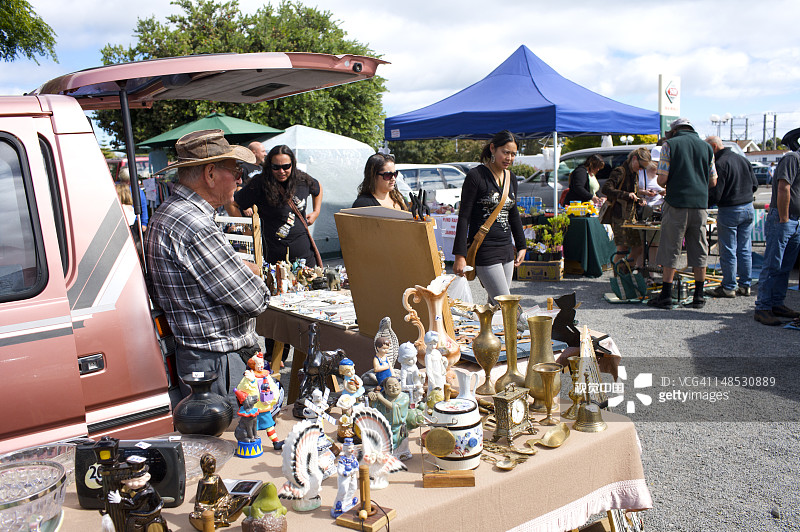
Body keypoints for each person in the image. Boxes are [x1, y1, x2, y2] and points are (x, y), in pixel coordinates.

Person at [144, 129, 269, 404]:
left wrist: (239, 268)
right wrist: (252, 272)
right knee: (242, 441)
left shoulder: (168, 213)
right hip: (218, 365)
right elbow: (255, 299)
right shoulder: (195, 223)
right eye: (235, 170)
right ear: (210, 174)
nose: (239, 178)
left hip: (202, 360)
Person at [648, 118, 717, 309]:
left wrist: (670, 183)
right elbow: (713, 181)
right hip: (700, 205)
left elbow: (662, 179)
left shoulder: (670, 145)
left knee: (671, 247)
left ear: (675, 130)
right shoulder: (707, 147)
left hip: (677, 203)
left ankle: (667, 295)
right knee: (699, 248)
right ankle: (699, 296)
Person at [452, 130, 527, 306]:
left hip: (507, 249)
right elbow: (464, 217)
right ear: (493, 149)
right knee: (506, 305)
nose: (509, 157)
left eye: (513, 154)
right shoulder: (476, 176)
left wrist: (522, 245)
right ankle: (515, 332)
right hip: (485, 250)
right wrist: (460, 255)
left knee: (495, 306)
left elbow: (513, 213)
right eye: (506, 152)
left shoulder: (511, 177)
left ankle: (490, 333)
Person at [232, 144, 322, 266]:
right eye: (276, 167)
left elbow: (318, 187)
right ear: (270, 166)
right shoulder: (260, 184)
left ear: (292, 164)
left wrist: (316, 212)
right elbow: (233, 204)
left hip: (305, 255)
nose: (281, 171)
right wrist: (245, 228)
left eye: (286, 167)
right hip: (275, 259)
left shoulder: (302, 180)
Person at [753, 126, 800, 326]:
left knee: (785, 266)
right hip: (784, 218)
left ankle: (776, 302)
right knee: (773, 264)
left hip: (794, 220)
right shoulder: (792, 158)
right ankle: (763, 307)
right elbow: (783, 187)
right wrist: (783, 217)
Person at [705, 135, 759, 298]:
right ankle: (745, 284)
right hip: (748, 207)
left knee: (728, 249)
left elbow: (717, 193)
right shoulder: (742, 159)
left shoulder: (720, 164)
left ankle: (729, 286)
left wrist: (703, 202)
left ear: (714, 147)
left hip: (730, 209)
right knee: (744, 248)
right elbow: (755, 184)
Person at [601, 147, 652, 271]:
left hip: (630, 217)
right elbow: (606, 189)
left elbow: (631, 191)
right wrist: (626, 195)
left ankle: (624, 271)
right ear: (634, 159)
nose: (641, 170)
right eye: (640, 166)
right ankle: (619, 274)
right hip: (619, 216)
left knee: (638, 248)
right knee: (622, 249)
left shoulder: (633, 173)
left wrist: (639, 198)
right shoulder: (620, 171)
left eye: (643, 168)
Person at [189, 453, 250, 529]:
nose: (213, 467)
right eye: (210, 465)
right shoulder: (203, 482)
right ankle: (210, 524)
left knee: (245, 499)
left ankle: (215, 522)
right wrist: (209, 510)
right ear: (204, 467)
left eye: (214, 464)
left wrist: (225, 503)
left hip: (221, 507)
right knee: (193, 516)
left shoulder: (217, 478)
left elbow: (225, 496)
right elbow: (199, 504)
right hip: (208, 511)